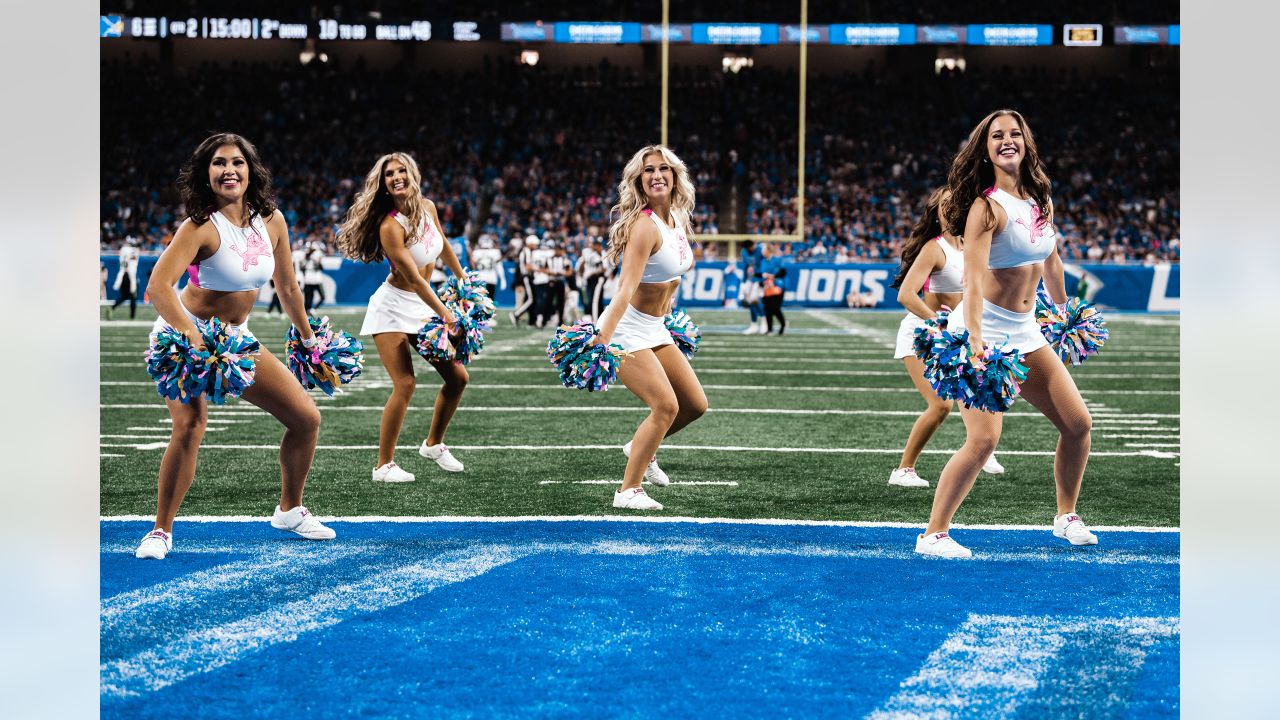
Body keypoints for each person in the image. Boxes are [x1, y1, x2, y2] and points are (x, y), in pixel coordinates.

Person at [135, 132, 333, 560]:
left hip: (234, 342)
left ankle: (289, 509)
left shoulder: (272, 221)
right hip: (184, 337)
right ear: (207, 174)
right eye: (219, 163)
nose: (229, 170)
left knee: (306, 418)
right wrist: (190, 335)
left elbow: (287, 286)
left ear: (250, 171)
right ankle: (160, 531)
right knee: (190, 426)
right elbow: (159, 286)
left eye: (237, 163)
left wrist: (310, 340)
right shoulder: (200, 226)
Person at [916, 109, 1096, 559]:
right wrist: (974, 337)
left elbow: (1050, 261)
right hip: (985, 335)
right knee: (983, 441)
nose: (1007, 140)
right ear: (987, 147)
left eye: (1015, 133)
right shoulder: (985, 206)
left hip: (1026, 331)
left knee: (1078, 425)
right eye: (997, 136)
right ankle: (933, 534)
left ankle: (1065, 516)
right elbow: (972, 279)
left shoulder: (1041, 199)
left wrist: (1063, 313)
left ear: (1026, 142)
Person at [336, 152, 469, 484]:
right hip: (394, 306)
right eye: (388, 174)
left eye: (401, 170)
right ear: (383, 184)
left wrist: (464, 281)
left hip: (423, 306)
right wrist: (446, 314)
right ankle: (383, 465)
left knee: (458, 378)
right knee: (405, 383)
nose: (396, 177)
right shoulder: (390, 226)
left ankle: (434, 444)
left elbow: (443, 246)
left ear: (412, 174)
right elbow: (414, 279)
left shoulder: (429, 208)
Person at [596, 144, 708, 510]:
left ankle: (641, 448)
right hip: (628, 329)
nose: (656, 174)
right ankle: (627, 490)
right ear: (639, 180)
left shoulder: (675, 217)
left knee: (695, 404)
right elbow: (625, 289)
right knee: (665, 406)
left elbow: (668, 278)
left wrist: (667, 317)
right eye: (648, 170)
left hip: (656, 327)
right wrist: (602, 340)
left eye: (663, 168)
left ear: (675, 177)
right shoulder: (643, 226)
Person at [888, 187, 1004, 490]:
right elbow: (906, 294)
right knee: (940, 406)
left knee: (983, 387)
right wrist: (936, 321)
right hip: (922, 334)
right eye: (946, 205)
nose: (952, 209)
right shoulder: (934, 248)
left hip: (957, 335)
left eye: (958, 204)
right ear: (937, 213)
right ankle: (903, 469)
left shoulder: (973, 246)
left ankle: (983, 447)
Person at [472, 235, 503, 324]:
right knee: (490, 299)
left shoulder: (476, 252)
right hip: (491, 278)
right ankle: (488, 317)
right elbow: (499, 266)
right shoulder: (495, 252)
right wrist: (502, 279)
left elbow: (473, 266)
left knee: (480, 299)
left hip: (480, 278)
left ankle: (481, 317)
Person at [510, 235, 540, 327]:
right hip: (527, 276)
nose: (536, 246)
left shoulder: (527, 251)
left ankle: (532, 320)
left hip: (528, 276)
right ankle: (516, 314)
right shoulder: (526, 251)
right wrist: (539, 270)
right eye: (535, 244)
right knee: (531, 299)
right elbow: (528, 266)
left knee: (532, 299)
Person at [109, 238, 141, 319]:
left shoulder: (123, 250)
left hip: (123, 275)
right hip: (130, 276)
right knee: (133, 297)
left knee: (124, 296)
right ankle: (132, 316)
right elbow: (134, 257)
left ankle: (112, 307)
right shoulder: (134, 250)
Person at [760, 242, 787, 335]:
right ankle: (769, 329)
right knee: (767, 309)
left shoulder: (776, 259)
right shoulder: (763, 261)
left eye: (763, 249)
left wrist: (773, 276)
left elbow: (783, 272)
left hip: (778, 287)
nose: (762, 251)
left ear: (768, 250)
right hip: (767, 288)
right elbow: (762, 275)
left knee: (775, 308)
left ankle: (783, 325)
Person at [577, 237, 607, 322]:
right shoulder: (588, 253)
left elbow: (603, 268)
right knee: (591, 299)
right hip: (589, 280)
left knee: (595, 300)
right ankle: (593, 318)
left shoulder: (602, 253)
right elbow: (582, 265)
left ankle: (596, 320)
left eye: (595, 245)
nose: (593, 246)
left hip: (597, 279)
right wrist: (582, 274)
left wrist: (591, 273)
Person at [301, 240, 326, 313]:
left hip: (309, 277)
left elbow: (303, 267)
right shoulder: (316, 253)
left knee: (309, 298)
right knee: (312, 297)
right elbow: (321, 267)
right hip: (315, 277)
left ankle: (310, 310)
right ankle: (311, 310)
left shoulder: (307, 254)